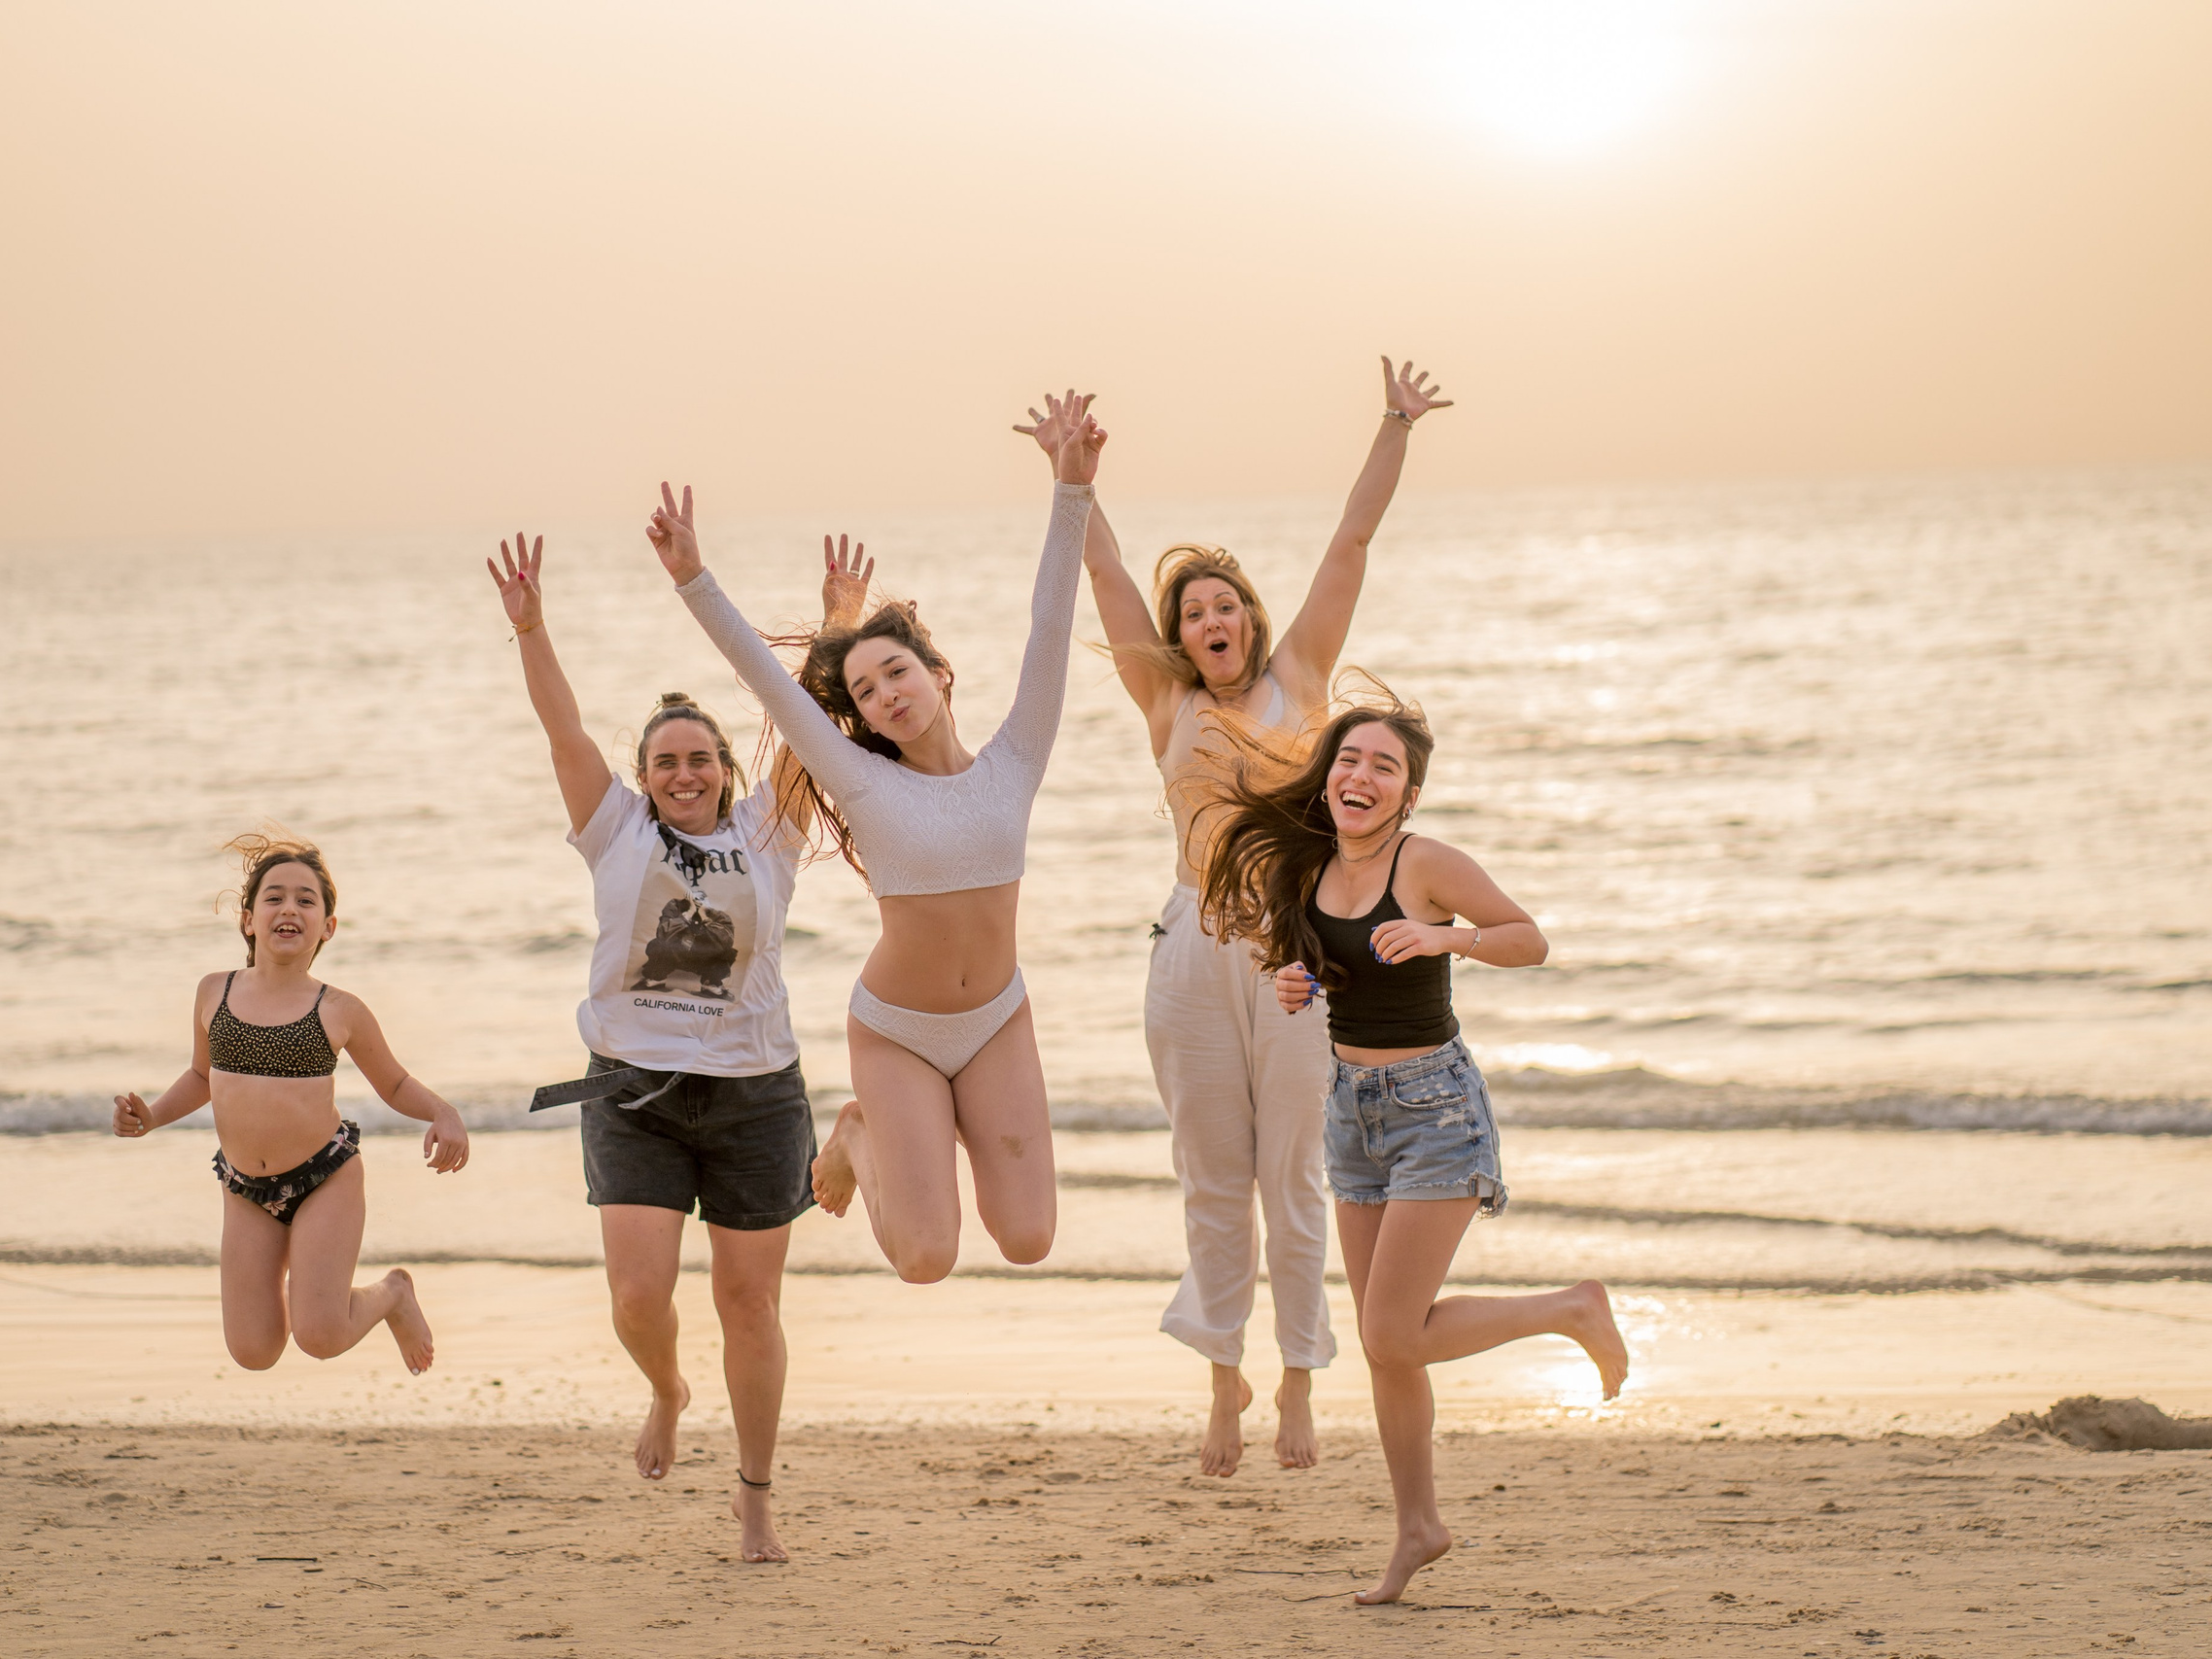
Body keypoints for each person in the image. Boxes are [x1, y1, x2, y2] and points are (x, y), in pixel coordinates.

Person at [1013, 358, 1450, 1476]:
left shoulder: (1301, 680)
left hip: (1299, 954)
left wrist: (1393, 423)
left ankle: (1300, 1381)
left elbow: (1350, 545)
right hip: (1191, 954)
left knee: (1294, 1176)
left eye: (1225, 603)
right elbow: (1103, 569)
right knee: (1212, 1179)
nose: (1212, 619)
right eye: (1193, 612)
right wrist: (1075, 476)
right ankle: (1223, 1385)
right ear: (1181, 637)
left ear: (1251, 616)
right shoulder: (1164, 698)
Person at [645, 389, 1104, 1284]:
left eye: (897, 671)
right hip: (896, 1030)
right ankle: (858, 1130)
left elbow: (1051, 626)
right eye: (863, 690)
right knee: (927, 1256)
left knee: (1029, 1239)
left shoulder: (1015, 758)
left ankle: (913, 1131)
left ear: (936, 673)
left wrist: (1070, 487)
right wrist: (693, 577)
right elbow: (771, 686)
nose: (886, 693)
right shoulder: (863, 782)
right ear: (858, 716)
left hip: (997, 1019)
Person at [1196, 687, 1628, 1606]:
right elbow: (1311, 964)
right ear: (1329, 779)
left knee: (1393, 1330)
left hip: (1436, 1108)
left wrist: (1447, 936)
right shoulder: (1309, 868)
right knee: (1388, 1348)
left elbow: (1531, 939)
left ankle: (1571, 1308)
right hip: (1352, 1113)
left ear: (1408, 795)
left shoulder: (1426, 863)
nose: (1362, 776)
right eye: (1350, 760)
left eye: (1384, 767)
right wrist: (1292, 982)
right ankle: (1416, 1528)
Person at [487, 530, 870, 1564]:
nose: (684, 772)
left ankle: (754, 1501)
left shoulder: (768, 831)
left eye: (701, 758)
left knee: (749, 1303)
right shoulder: (612, 829)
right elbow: (560, 724)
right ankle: (664, 1388)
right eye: (666, 761)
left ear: (725, 769)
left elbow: (808, 723)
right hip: (631, 1092)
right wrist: (531, 627)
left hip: (754, 1096)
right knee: (637, 1296)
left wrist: (836, 620)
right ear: (644, 777)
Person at [112, 834, 467, 1379]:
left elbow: (394, 1084)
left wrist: (443, 1113)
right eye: (274, 897)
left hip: (324, 1179)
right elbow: (203, 1076)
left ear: (327, 927)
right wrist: (152, 1116)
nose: (289, 908)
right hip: (245, 1189)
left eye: (307, 900)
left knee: (320, 1337)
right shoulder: (215, 992)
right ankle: (307, 1278)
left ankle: (392, 1293)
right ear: (249, 919)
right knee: (253, 1350)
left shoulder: (338, 1009)